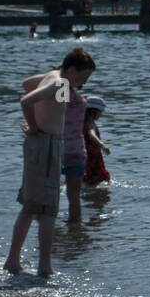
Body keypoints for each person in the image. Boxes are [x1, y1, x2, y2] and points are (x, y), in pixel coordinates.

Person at [6, 48, 96, 277]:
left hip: (44, 145)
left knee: (31, 205)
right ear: (72, 70)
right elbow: (26, 99)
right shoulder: (59, 83)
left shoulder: (53, 78)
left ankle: (13, 260)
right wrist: (35, 127)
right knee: (48, 209)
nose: (82, 84)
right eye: (82, 78)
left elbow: (28, 83)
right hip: (46, 144)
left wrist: (44, 112)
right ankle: (45, 266)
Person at [61, 77, 89, 223]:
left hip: (60, 148)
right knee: (74, 195)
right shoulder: (81, 101)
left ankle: (51, 227)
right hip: (77, 149)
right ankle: (76, 227)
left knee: (52, 191)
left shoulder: (63, 92)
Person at [83, 96, 111, 186]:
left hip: (84, 155)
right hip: (93, 156)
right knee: (101, 178)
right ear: (94, 111)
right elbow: (92, 134)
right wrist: (102, 145)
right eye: (100, 112)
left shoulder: (80, 121)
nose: (101, 114)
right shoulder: (90, 123)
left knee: (86, 178)